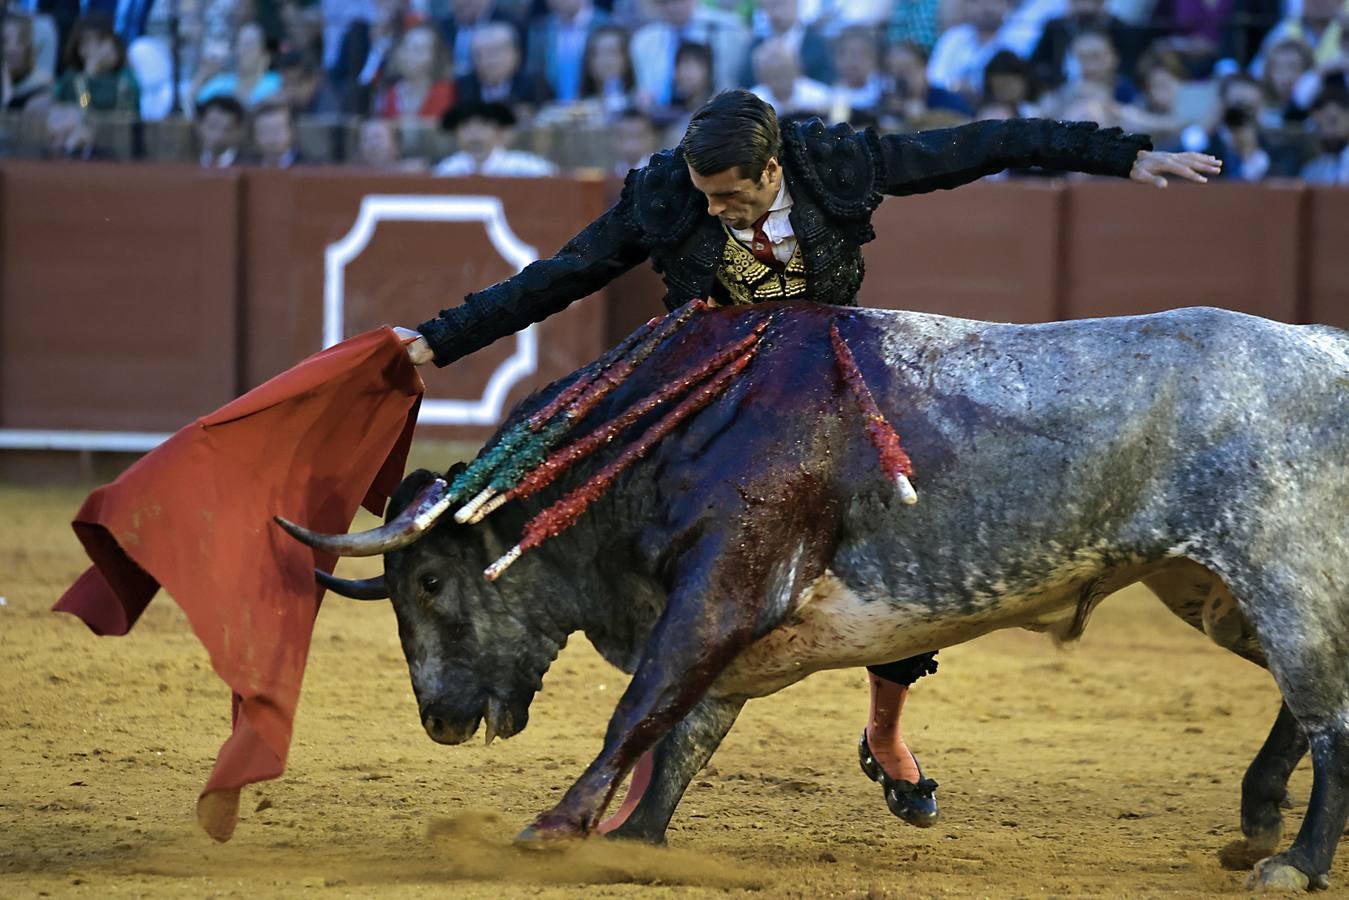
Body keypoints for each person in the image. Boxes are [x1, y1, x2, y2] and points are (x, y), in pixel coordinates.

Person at [394, 90, 1221, 828]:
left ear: (771, 167)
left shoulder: (836, 164)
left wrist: (1124, 154)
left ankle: (885, 733)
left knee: (905, 542)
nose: (716, 211)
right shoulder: (665, 196)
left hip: (825, 390)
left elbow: (980, 144)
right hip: (708, 402)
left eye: (730, 196)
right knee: (670, 566)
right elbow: (559, 276)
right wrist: (437, 339)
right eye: (703, 196)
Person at [432, 99, 559, 176]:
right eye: (466, 127)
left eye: (482, 126)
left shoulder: (525, 168)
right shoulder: (448, 169)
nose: (474, 135)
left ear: (499, 131)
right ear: (456, 133)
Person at [195, 93, 245, 167]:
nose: (218, 135)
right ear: (199, 126)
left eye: (227, 130)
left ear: (239, 132)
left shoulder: (250, 163)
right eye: (212, 127)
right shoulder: (185, 160)